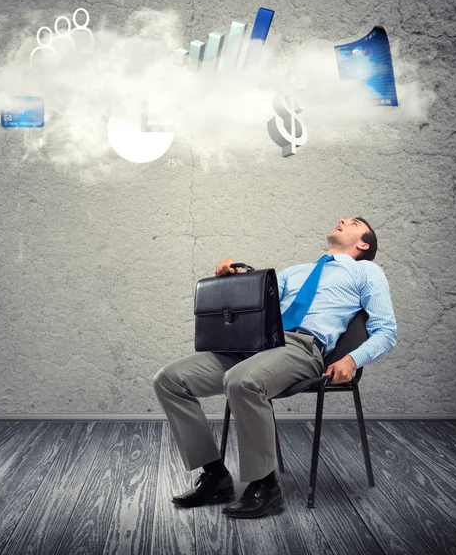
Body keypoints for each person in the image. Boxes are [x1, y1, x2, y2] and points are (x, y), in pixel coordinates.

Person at [152, 217, 397, 518]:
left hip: (300, 348)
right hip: (254, 345)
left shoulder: (367, 271)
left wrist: (352, 359)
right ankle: (215, 475)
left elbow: (386, 331)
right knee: (169, 379)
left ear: (364, 244)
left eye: (354, 222)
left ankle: (266, 486)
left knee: (242, 381)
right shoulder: (295, 272)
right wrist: (232, 277)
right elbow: (257, 298)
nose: (342, 220)